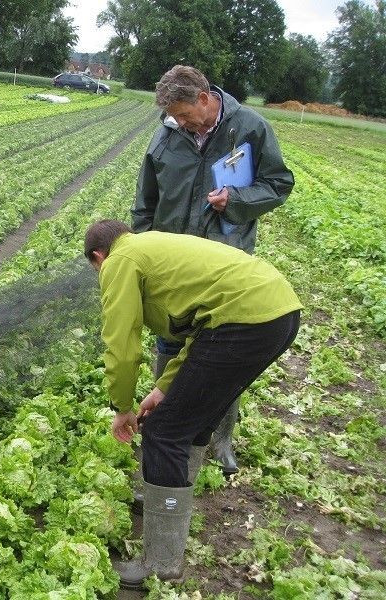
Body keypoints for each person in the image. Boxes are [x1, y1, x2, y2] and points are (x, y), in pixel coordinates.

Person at [84, 220, 301, 589]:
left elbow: (122, 343)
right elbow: (200, 329)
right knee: (194, 420)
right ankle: (171, 494)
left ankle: (161, 562)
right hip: (276, 311)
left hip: (244, 319)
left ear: (98, 256)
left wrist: (121, 408)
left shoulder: (120, 260)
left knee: (163, 433)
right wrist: (164, 389)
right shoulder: (150, 246)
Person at [132, 64, 295, 476]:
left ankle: (220, 441)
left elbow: (278, 183)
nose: (179, 123)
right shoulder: (166, 134)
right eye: (173, 117)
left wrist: (236, 199)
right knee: (169, 350)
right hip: (173, 272)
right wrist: (141, 253)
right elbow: (145, 201)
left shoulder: (249, 128)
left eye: (185, 114)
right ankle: (161, 437)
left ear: (205, 99)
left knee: (220, 363)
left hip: (224, 267)